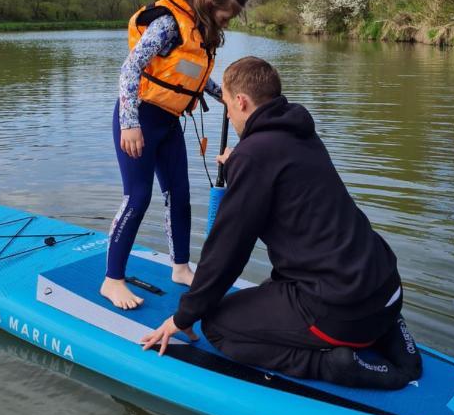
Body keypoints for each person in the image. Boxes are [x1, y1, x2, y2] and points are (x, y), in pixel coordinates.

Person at [142, 56, 422, 390]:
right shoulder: (300, 134)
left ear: (242, 102)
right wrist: (240, 165)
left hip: (341, 311)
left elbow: (227, 252)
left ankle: (330, 364)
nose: (228, 115)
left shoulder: (254, 156)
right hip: (386, 290)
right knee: (288, 281)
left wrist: (183, 316)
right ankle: (395, 340)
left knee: (217, 324)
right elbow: (278, 176)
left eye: (228, 106)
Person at [101, 0, 249, 311]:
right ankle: (112, 280)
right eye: (230, 12)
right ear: (212, 3)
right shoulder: (168, 24)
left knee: (180, 196)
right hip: (138, 120)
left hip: (168, 124)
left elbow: (192, 78)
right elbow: (130, 69)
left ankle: (180, 268)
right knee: (137, 198)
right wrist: (129, 123)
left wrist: (223, 96)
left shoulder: (197, 32)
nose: (231, 20)